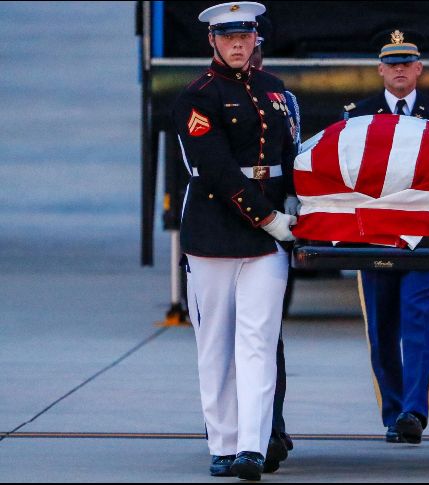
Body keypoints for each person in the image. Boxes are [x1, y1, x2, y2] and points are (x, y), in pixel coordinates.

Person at [171, 2, 297, 480]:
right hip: (216, 231)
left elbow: (289, 153)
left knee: (258, 342)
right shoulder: (197, 97)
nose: (239, 44)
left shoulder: (274, 89)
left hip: (268, 238)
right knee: (216, 344)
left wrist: (300, 206)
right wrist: (269, 219)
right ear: (213, 42)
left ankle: (252, 445)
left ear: (256, 39)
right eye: (228, 38)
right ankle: (222, 443)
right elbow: (217, 171)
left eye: (245, 36)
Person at [342, 29, 429, 445]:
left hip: (426, 236)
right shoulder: (358, 113)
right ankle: (393, 412)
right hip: (376, 235)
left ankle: (414, 410)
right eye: (392, 64)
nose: (400, 70)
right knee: (382, 325)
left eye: (407, 63)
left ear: (420, 69)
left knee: (420, 320)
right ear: (380, 71)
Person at [249, 18, 301, 475]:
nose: (252, 53)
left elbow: (293, 160)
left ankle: (271, 427)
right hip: (229, 226)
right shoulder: (205, 95)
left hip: (273, 229)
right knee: (229, 341)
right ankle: (239, 429)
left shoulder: (282, 96)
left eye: (255, 45)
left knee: (268, 338)